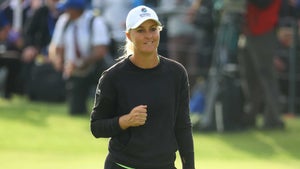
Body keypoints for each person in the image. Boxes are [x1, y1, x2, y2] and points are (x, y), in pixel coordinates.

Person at [90, 5, 195, 169]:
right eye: (140, 30)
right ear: (129, 35)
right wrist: (125, 121)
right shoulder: (113, 77)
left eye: (153, 29)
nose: (148, 36)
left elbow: (183, 126)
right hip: (123, 165)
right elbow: (96, 127)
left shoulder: (176, 73)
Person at [49, 0, 110, 115]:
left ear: (76, 9)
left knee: (107, 100)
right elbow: (56, 46)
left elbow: (100, 51)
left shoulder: (95, 21)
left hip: (96, 68)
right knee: (75, 110)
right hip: (75, 71)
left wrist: (80, 63)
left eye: (68, 8)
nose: (65, 11)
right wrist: (58, 61)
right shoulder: (64, 20)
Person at [239, 0, 285, 129]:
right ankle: (250, 116)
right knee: (249, 78)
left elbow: (263, 3)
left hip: (263, 32)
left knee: (267, 77)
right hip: (249, 32)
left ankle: (273, 118)